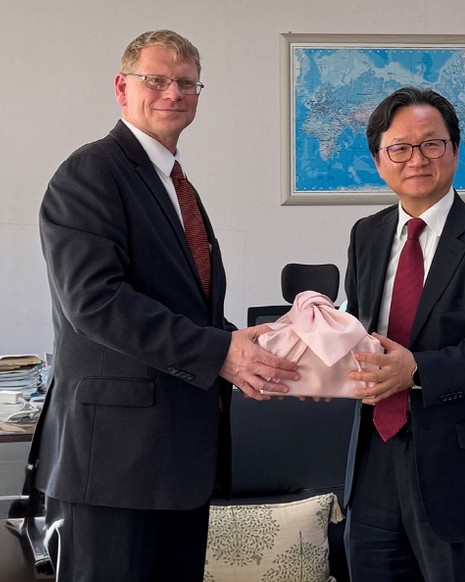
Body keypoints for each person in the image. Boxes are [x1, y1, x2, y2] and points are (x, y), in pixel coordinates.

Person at [34, 29, 298, 582]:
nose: (172, 93)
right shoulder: (92, 171)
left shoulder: (176, 183)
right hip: (115, 464)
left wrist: (262, 347)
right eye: (155, 80)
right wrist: (220, 351)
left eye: (186, 83)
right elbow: (95, 301)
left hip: (179, 461)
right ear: (122, 88)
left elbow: (187, 307)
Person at [343, 86, 465, 581]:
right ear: (379, 161)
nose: (417, 159)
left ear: (455, 150)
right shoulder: (366, 234)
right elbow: (359, 327)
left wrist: (417, 370)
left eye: (432, 143)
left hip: (461, 469)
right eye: (400, 148)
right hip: (374, 455)